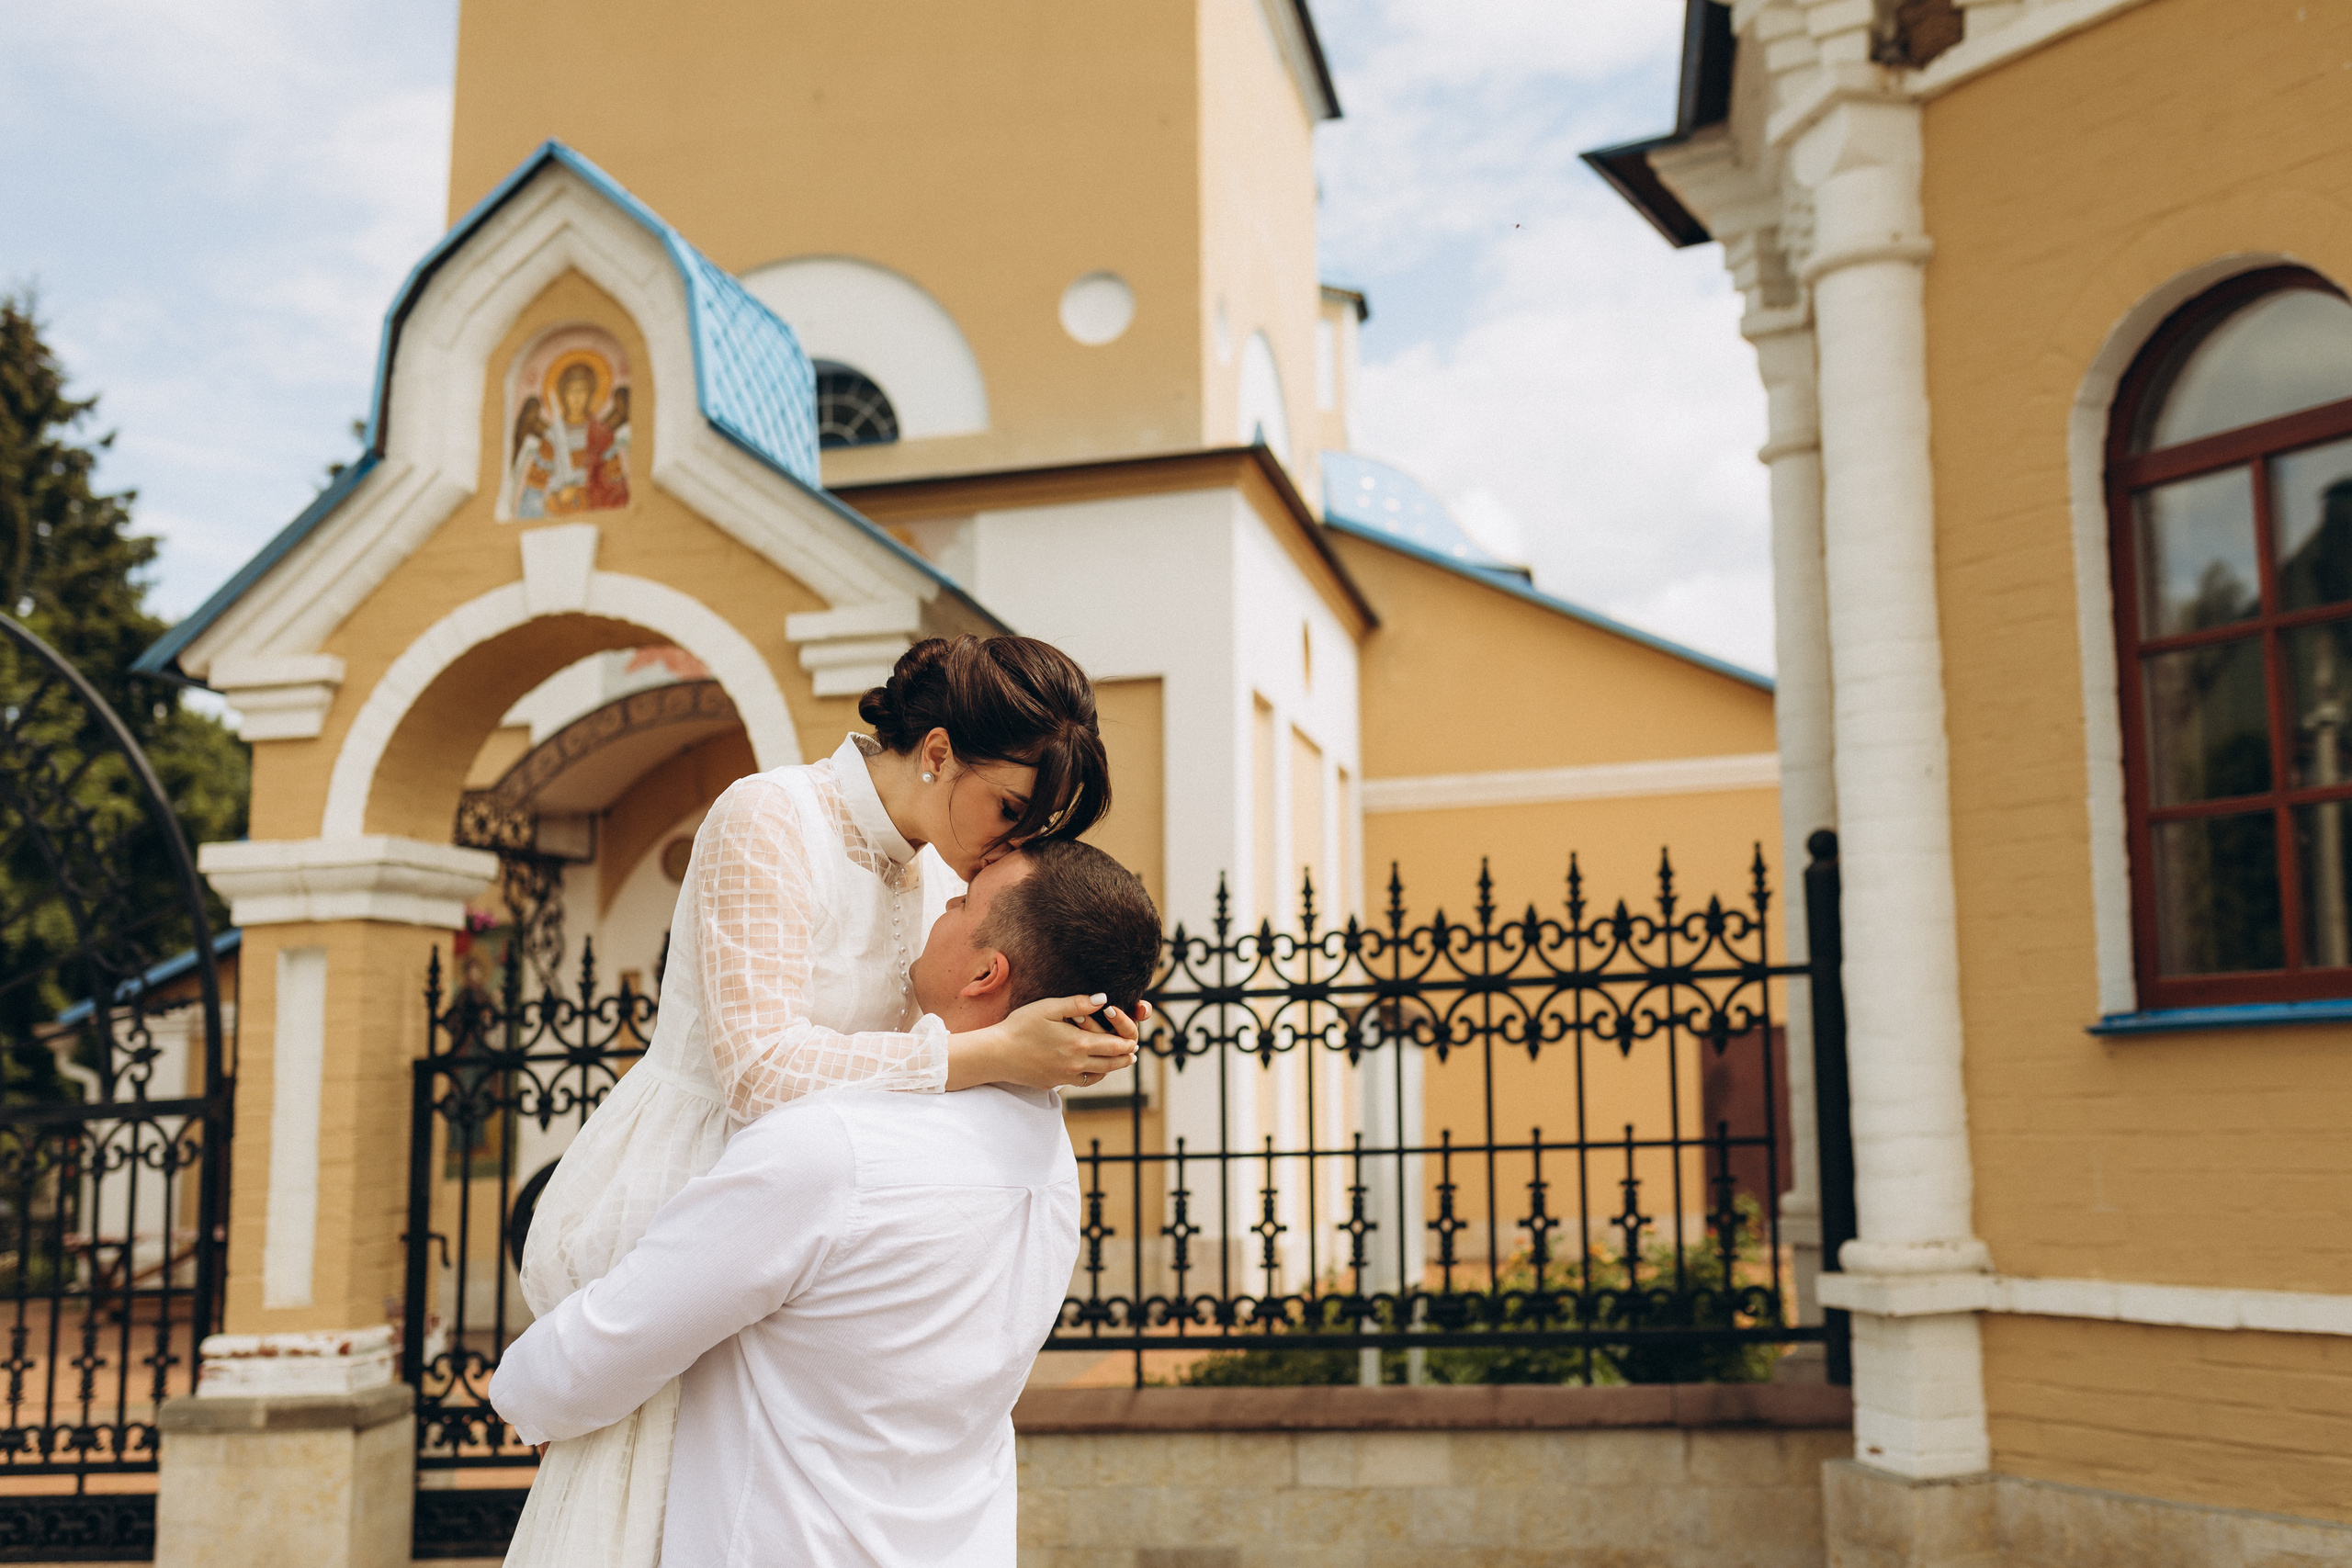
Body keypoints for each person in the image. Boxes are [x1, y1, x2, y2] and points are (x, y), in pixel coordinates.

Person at [503, 636, 1144, 1568]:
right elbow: (758, 1071)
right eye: (1009, 807)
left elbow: (966, 1023)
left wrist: (1070, 1032)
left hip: (829, 1231)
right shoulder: (770, 816)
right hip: (699, 1194)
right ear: (935, 752)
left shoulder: (934, 874)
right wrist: (990, 1050)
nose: (1010, 844)